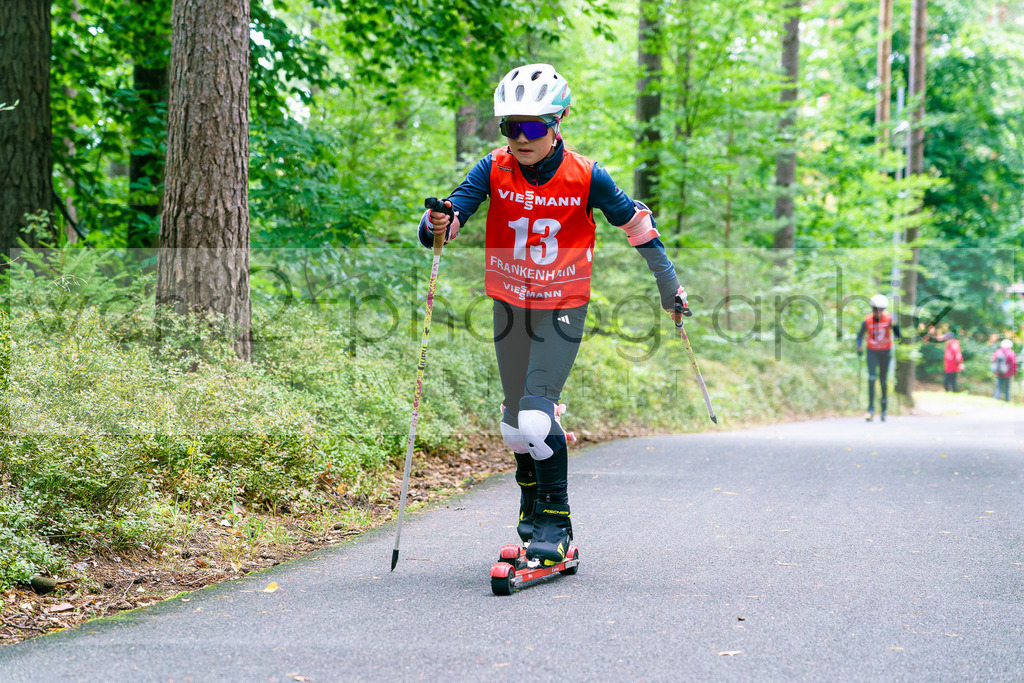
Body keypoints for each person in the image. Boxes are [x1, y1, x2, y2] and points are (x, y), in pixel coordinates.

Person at [418, 64, 688, 566]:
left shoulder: (588, 175)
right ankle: (530, 507)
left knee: (537, 420)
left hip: (561, 306)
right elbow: (453, 216)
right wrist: (438, 221)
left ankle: (555, 523)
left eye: (534, 126)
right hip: (508, 304)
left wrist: (669, 286)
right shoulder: (492, 168)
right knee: (513, 427)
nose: (521, 137)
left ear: (558, 121)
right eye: (510, 126)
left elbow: (639, 227)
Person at [856, 294, 901, 421]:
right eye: (875, 309)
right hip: (872, 351)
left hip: (885, 352)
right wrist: (859, 346)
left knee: (883, 380)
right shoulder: (867, 320)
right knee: (871, 378)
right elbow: (859, 335)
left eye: (880, 309)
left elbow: (898, 334)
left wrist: (896, 330)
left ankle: (884, 409)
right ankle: (870, 409)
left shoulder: (889, 319)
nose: (878, 312)